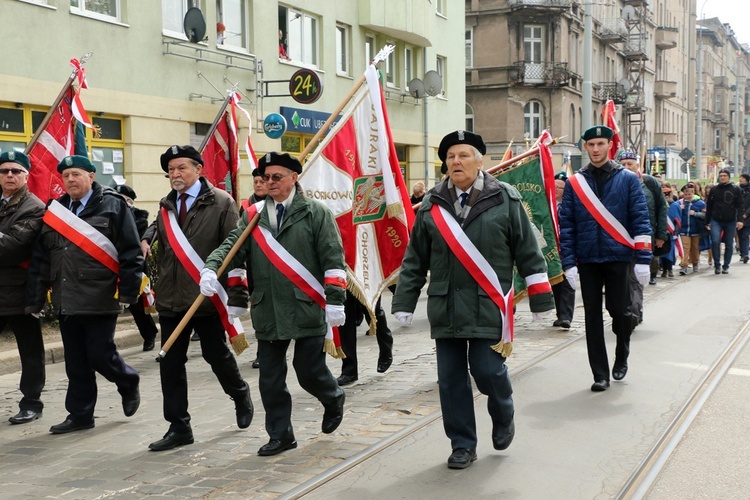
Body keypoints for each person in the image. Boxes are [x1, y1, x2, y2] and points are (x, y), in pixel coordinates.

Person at [392, 130, 554, 469]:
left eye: (463, 155)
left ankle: (503, 409)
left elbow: (527, 249)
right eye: (450, 156)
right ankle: (462, 444)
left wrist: (540, 298)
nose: (456, 161)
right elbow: (415, 259)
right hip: (446, 305)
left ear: (480, 161)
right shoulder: (432, 204)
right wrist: (404, 302)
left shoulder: (505, 198)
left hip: (488, 303)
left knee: (488, 370)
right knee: (451, 380)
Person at [202, 152, 347, 457]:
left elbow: (333, 260)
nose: (269, 183)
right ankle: (281, 435)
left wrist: (335, 302)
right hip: (269, 308)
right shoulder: (253, 214)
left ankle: (332, 396)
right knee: (270, 380)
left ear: (294, 178)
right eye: (266, 178)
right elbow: (232, 248)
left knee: (308, 372)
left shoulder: (316, 213)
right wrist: (211, 268)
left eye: (276, 177)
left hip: (306, 304)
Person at [142, 145, 253, 451]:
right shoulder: (166, 204)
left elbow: (235, 249)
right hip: (172, 297)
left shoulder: (221, 202)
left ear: (199, 170)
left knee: (215, 354)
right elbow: (161, 229)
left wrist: (237, 295)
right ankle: (179, 427)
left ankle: (239, 392)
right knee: (171, 362)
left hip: (205, 297)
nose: (175, 174)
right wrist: (147, 237)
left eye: (182, 168)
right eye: (171, 170)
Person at [27, 155, 142, 434]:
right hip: (66, 296)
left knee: (100, 354)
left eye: (76, 174)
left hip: (100, 295)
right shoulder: (56, 209)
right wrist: (37, 297)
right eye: (65, 176)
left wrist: (128, 291)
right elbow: (43, 257)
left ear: (91, 176)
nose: (70, 180)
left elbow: (131, 251)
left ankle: (127, 381)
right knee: (76, 361)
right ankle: (80, 415)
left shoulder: (113, 205)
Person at [558, 126, 652, 392]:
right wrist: (568, 264)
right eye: (591, 145)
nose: (596, 149)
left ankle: (622, 351)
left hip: (618, 256)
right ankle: (600, 373)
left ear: (610, 146)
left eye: (601, 144)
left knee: (620, 312)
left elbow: (640, 220)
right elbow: (567, 225)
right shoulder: (576, 182)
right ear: (585, 148)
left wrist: (643, 258)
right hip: (587, 258)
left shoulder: (629, 179)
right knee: (592, 317)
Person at [0, 151, 46, 425]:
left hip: (21, 292)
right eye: (4, 170)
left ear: (26, 175)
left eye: (16, 171)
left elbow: (10, 248)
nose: (9, 176)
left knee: (30, 352)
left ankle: (31, 402)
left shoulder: (33, 206)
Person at [618, 150, 667, 329]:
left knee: (636, 277)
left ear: (638, 165)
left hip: (645, 237)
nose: (626, 167)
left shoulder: (649, 183)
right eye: (622, 164)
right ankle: (625, 311)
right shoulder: (615, 183)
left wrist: (661, 235)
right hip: (621, 238)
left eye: (629, 164)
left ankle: (634, 312)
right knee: (622, 277)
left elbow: (662, 208)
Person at [113, 184, 158, 351]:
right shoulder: (110, 214)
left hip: (133, 267)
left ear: (130, 201)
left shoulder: (138, 219)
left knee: (136, 305)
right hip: (111, 265)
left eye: (122, 200)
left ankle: (149, 334)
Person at [337, 292, 394, 386]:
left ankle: (386, 349)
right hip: (345, 279)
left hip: (366, 278)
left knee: (372, 311)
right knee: (345, 316)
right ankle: (349, 371)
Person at [242, 167, 268, 368]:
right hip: (254, 264)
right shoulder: (247, 207)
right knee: (258, 306)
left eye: (262, 181)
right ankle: (263, 351)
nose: (259, 185)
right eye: (256, 182)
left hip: (278, 264)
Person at [705, 168, 744, 274]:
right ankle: (717, 265)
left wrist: (740, 220)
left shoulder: (735, 189)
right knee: (715, 241)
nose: (722, 177)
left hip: (730, 220)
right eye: (721, 175)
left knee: (729, 243)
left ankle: (726, 265)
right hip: (716, 219)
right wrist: (707, 221)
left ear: (728, 177)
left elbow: (740, 205)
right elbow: (709, 206)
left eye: (724, 175)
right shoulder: (714, 189)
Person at [552, 172, 574, 329]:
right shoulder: (547, 206)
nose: (555, 190)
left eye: (559, 187)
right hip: (552, 250)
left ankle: (566, 316)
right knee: (556, 283)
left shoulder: (569, 205)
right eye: (553, 186)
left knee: (567, 282)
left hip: (567, 248)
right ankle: (560, 314)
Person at [676, 185, 706, 275]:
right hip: (684, 230)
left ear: (693, 192)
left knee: (695, 248)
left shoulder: (701, 203)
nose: (688, 196)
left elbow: (705, 215)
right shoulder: (680, 203)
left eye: (689, 194)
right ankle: (684, 265)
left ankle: (695, 263)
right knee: (685, 247)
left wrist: (695, 214)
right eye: (686, 194)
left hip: (696, 230)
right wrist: (679, 210)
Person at [737, 173, 750, 263]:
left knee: (745, 235)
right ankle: (742, 253)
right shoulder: (737, 190)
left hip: (748, 216)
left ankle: (745, 254)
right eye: (740, 178)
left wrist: (746, 213)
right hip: (738, 216)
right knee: (740, 235)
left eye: (743, 178)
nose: (741, 179)